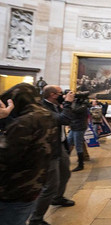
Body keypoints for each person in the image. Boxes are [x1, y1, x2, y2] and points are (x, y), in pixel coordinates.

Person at [0, 83, 55, 225]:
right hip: (32, 186)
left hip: (12, 190)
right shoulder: (46, 116)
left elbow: (5, 156)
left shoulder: (24, 122)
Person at [29, 85, 76, 225]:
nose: (64, 95)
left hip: (59, 145)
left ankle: (58, 198)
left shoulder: (55, 105)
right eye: (62, 93)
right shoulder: (44, 107)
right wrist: (67, 103)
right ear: (53, 95)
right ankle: (36, 218)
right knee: (50, 185)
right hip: (49, 149)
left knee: (65, 173)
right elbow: (64, 120)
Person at [67, 93, 89, 172]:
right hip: (74, 126)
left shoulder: (83, 105)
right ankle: (65, 161)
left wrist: (68, 103)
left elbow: (75, 110)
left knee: (78, 145)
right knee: (68, 143)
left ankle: (81, 165)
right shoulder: (77, 103)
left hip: (79, 127)